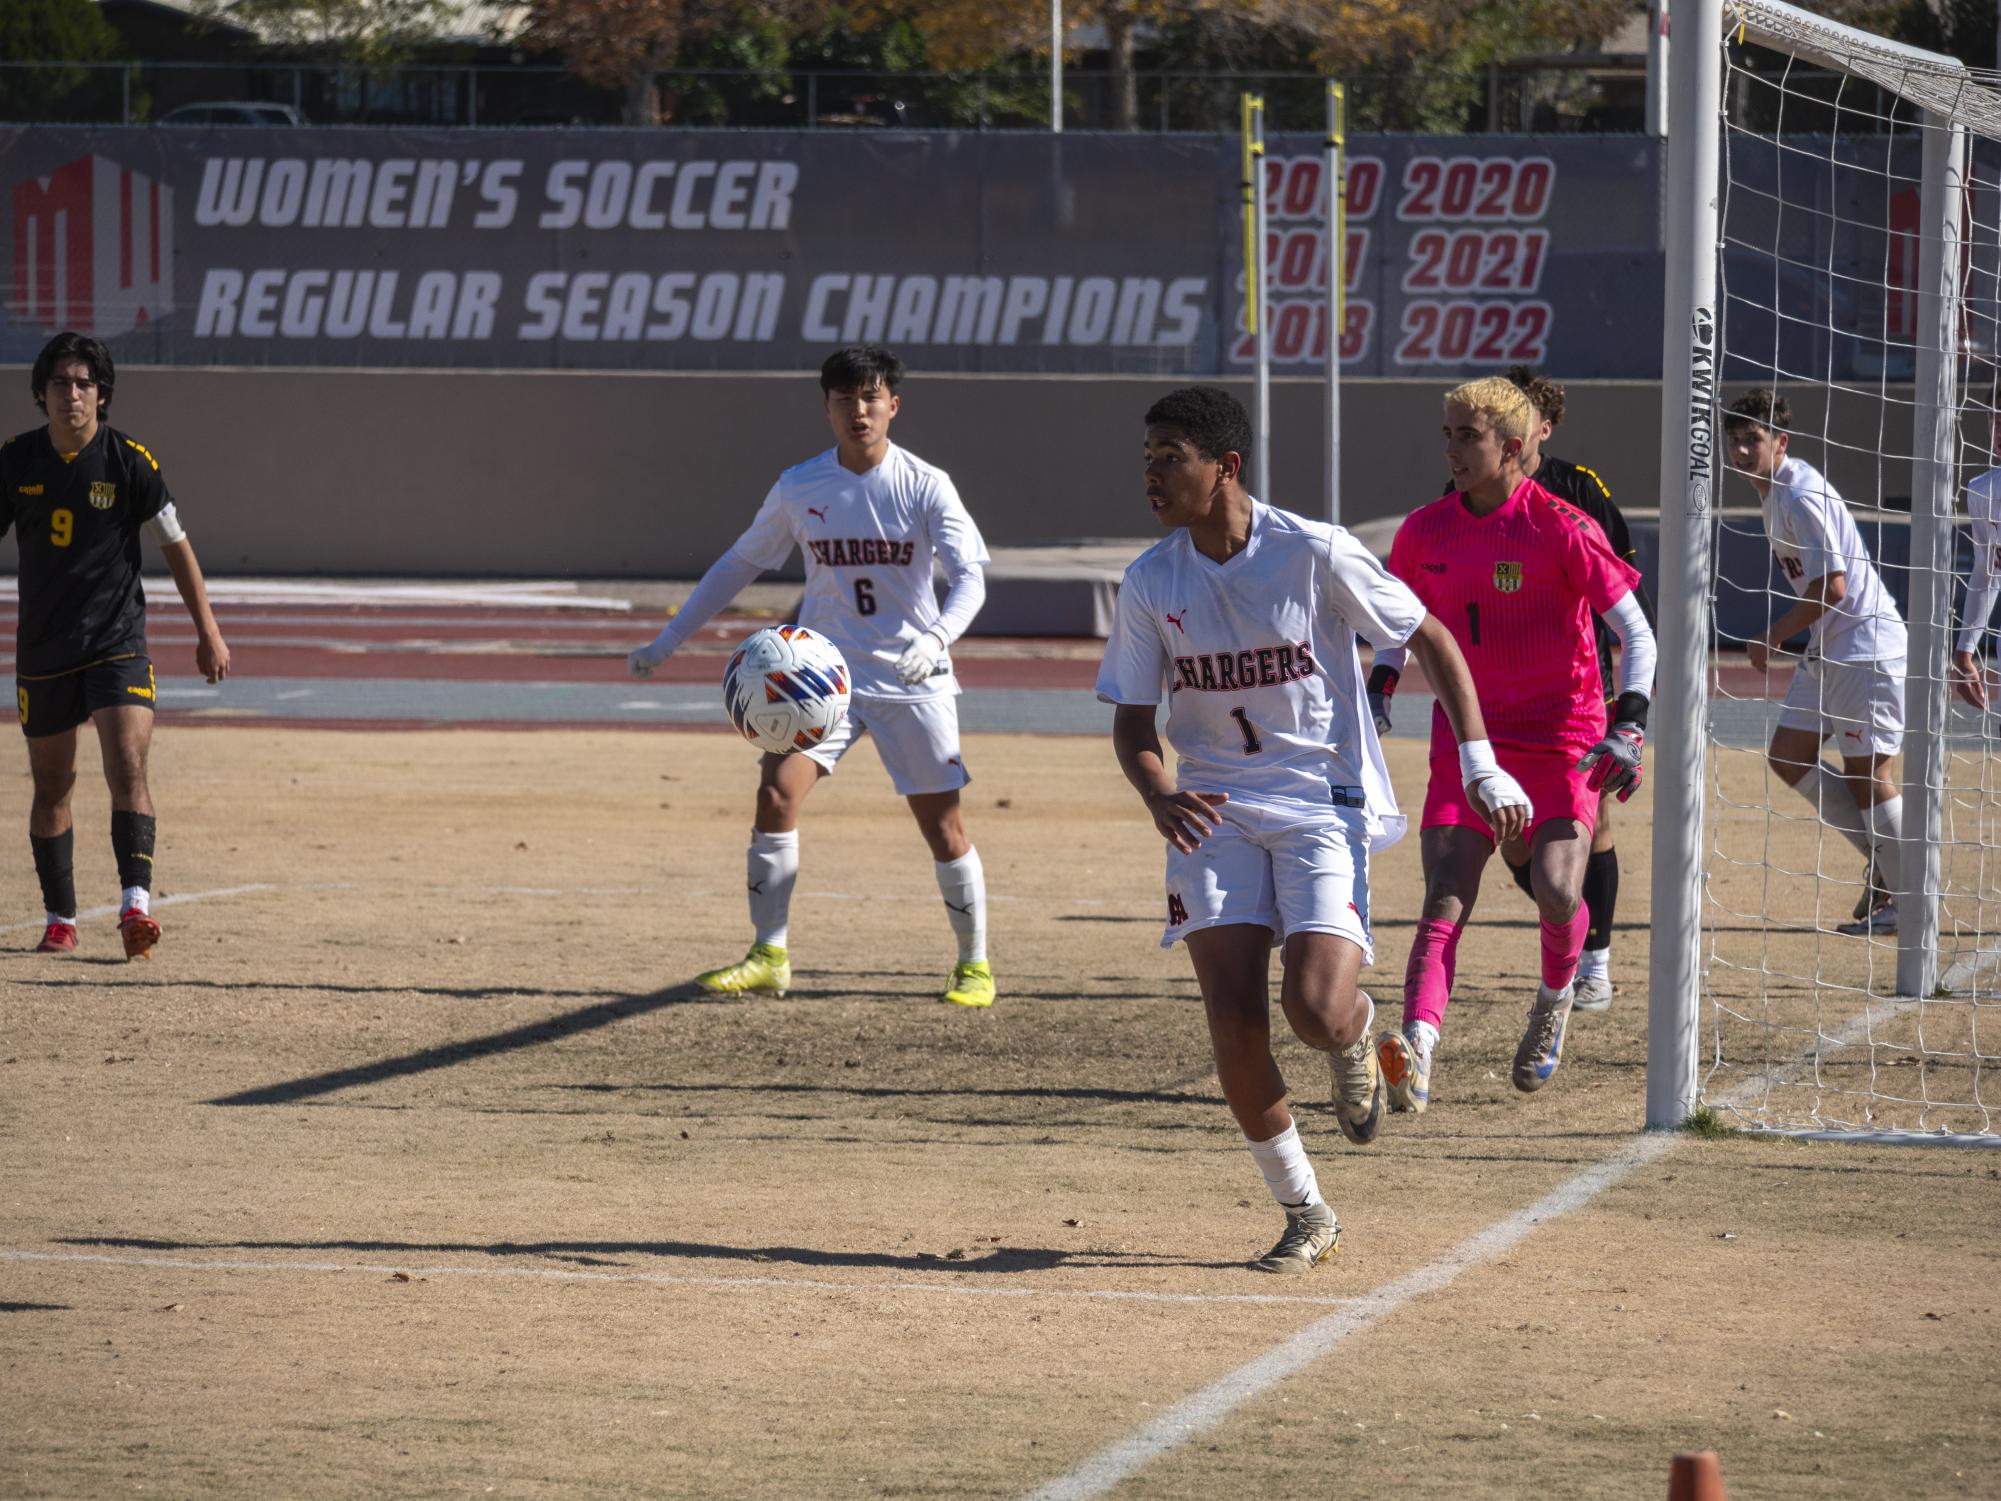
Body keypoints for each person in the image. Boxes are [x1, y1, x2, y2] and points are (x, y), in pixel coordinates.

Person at [1097, 385, 1527, 1274]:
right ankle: (1305, 1210)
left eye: (1169, 455)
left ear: (1226, 466)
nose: (1151, 473)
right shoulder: (1150, 580)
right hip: (1212, 809)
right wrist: (1157, 793)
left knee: (1313, 1009)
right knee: (1232, 1017)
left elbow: (1430, 637)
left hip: (1318, 803)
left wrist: (1480, 761)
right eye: (1145, 456)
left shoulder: (1314, 550)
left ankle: (1363, 1030)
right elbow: (1134, 723)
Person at [627, 344, 995, 1006]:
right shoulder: (800, 484)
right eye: (844, 398)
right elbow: (738, 563)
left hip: (914, 679)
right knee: (774, 796)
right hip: (823, 681)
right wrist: (668, 638)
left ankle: (974, 963)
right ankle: (769, 953)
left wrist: (937, 637)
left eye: (871, 396)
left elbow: (971, 577)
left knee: (943, 826)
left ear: (893, 404)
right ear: (826, 407)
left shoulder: (924, 483)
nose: (859, 409)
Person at [1371, 378, 1654, 1114]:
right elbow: (1392, 624)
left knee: (1559, 889)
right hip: (1467, 738)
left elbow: (1636, 632)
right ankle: (1417, 1050)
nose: (1452, 448)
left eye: (1468, 435)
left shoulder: (1562, 525)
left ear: (1514, 446)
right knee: (1445, 894)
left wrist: (1629, 722)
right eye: (1448, 433)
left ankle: (1554, 999)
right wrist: (1378, 684)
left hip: (1562, 735)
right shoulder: (1423, 530)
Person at [1, 331, 231, 959]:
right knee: (53, 786)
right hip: (44, 649)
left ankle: (136, 907)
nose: (71, 394)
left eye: (83, 384)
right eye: (59, 383)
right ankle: (59, 918)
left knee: (128, 764)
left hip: (116, 641)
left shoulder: (132, 462)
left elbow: (176, 547)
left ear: (101, 397)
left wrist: (207, 630)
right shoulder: (15, 462)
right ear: (41, 394)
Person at [1724, 388, 1907, 936]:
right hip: (1831, 648)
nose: (1740, 452)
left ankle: (1908, 898)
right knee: (1788, 755)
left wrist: (1773, 636)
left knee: (1868, 774)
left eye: (1752, 440)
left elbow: (1834, 586)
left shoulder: (1799, 493)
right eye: (1733, 441)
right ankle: (1888, 859)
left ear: (1780, 441)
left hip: (1863, 645)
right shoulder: (1772, 493)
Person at [1952, 398, 2001, 711]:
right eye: (1995, 422)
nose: (1999, 432)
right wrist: (1964, 650)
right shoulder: (1984, 491)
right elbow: (1986, 572)